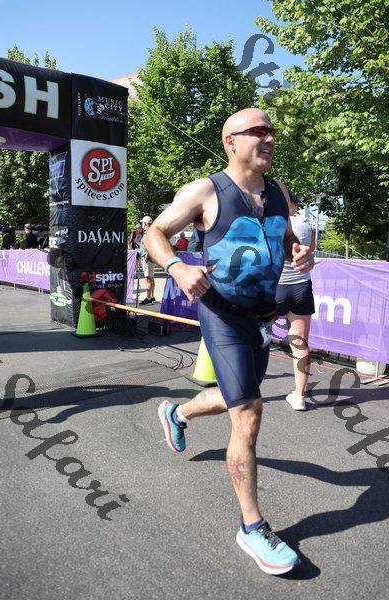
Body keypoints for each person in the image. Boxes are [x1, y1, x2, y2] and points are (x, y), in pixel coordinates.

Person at [144, 108, 314, 576]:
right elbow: (155, 233)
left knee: (236, 397)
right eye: (258, 131)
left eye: (271, 131)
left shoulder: (279, 193)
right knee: (249, 412)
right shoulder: (205, 191)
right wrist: (176, 266)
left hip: (262, 317)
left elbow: (286, 240)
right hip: (221, 315)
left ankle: (177, 413)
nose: (269, 138)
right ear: (231, 141)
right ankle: (251, 527)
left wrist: (299, 252)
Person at [276, 193, 316, 411]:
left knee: (255, 339)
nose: (296, 207)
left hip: (277, 286)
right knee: (300, 343)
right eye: (295, 203)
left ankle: (247, 392)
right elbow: (310, 254)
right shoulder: (307, 225)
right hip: (301, 286)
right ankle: (299, 396)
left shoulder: (274, 222)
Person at [139, 216, 156, 305]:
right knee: (151, 278)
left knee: (148, 278)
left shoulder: (148, 233)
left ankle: (148, 298)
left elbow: (149, 246)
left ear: (145, 223)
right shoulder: (151, 232)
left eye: (142, 223)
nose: (142, 224)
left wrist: (146, 257)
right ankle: (152, 297)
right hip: (151, 259)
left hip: (148, 258)